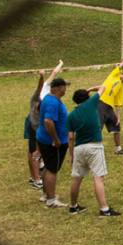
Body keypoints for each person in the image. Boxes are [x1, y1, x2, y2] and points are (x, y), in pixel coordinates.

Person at [66, 86, 121, 217]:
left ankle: (73, 206)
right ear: (87, 98)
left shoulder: (71, 115)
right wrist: (90, 89)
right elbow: (103, 87)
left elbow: (70, 137)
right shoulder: (91, 103)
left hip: (79, 148)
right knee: (98, 177)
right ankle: (104, 209)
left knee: (77, 177)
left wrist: (71, 154)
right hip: (94, 147)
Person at [24, 60, 62, 189]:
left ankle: (36, 174)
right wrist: (41, 76)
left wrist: (60, 64)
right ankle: (36, 179)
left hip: (39, 125)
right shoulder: (38, 96)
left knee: (36, 151)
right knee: (34, 152)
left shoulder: (48, 88)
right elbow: (39, 86)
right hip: (33, 125)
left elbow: (54, 73)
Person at [36, 77, 71, 208]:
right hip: (53, 143)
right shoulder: (53, 103)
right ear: (56, 88)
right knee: (52, 169)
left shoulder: (48, 99)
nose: (65, 89)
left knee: (47, 167)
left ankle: (46, 194)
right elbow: (48, 121)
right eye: (63, 86)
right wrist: (56, 140)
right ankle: (51, 200)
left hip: (43, 138)